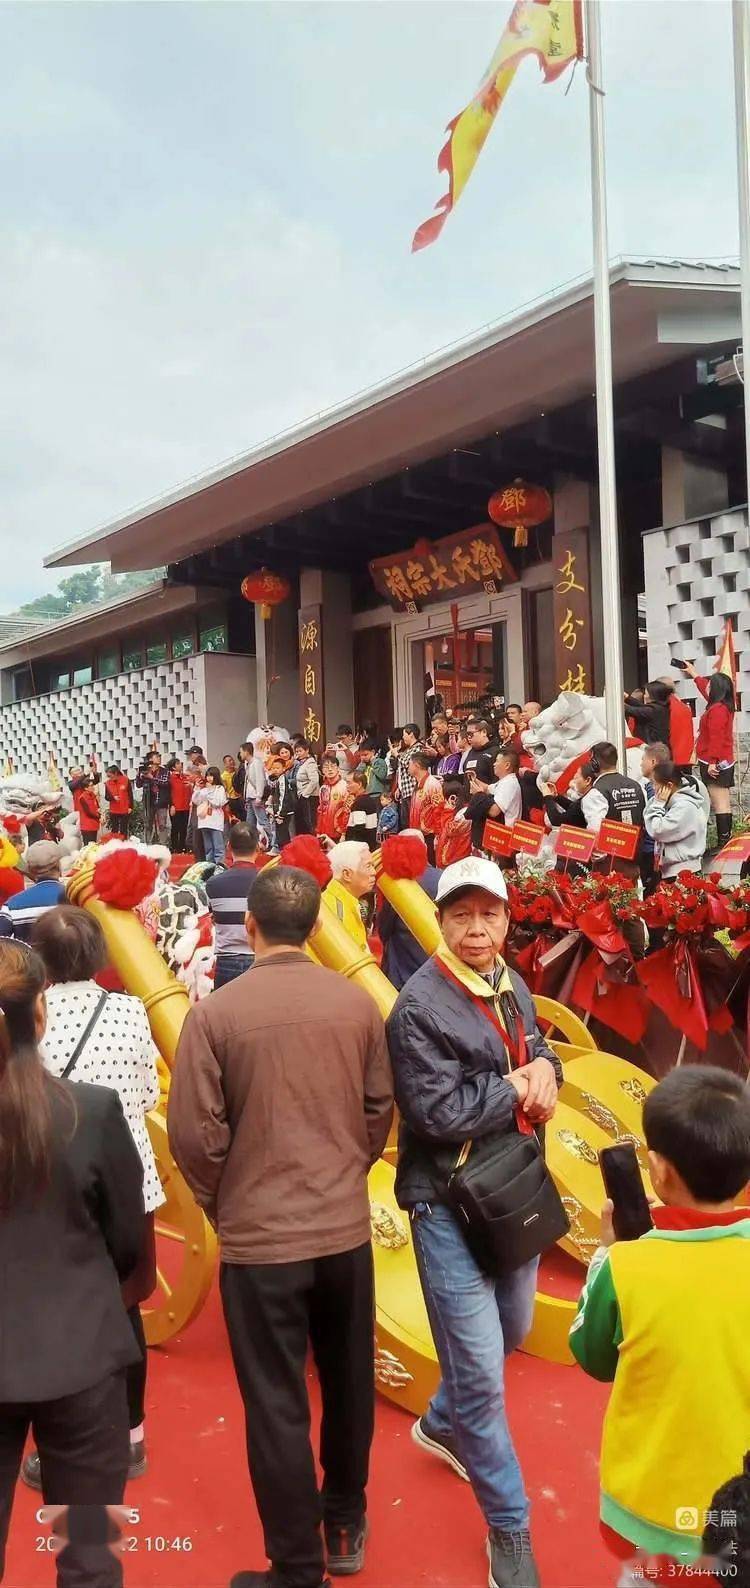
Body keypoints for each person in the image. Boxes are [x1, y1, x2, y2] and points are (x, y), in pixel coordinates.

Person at [168, 866, 394, 1588]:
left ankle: (297, 1565)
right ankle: (345, 1519)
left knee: (275, 1400)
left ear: (251, 929)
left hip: (260, 1238)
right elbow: (378, 1110)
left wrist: (223, 1202)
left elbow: (194, 1136)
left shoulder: (214, 1015)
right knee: (349, 1379)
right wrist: (342, 1176)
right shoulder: (356, 1005)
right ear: (316, 927)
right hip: (341, 1230)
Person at [386, 858, 562, 1588]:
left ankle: (440, 1422)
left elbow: (536, 1050)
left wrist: (547, 1067)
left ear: (506, 918)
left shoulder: (512, 983)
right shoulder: (418, 1007)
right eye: (462, 915)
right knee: (484, 1373)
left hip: (511, 1188)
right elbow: (436, 1115)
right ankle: (510, 1528)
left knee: (513, 1331)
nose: (477, 927)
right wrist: (518, 1085)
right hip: (445, 1201)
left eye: (489, 913)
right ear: (441, 920)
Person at [0, 939, 145, 1587]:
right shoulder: (91, 1112)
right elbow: (130, 1244)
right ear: (42, 1015)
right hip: (86, 1359)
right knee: (89, 1560)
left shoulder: (88, 1110)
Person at [570, 1066, 750, 1565]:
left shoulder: (628, 1266)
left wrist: (606, 1256)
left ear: (658, 1169)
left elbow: (594, 1356)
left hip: (651, 1517)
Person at [20, 905, 162, 1490]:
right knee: (127, 1310)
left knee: (57, 1308)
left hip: (57, 1187)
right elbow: (150, 1093)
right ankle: (130, 1434)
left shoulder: (32, 1021)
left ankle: (64, 1441)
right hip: (132, 1182)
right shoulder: (130, 1012)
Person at [683, 663, 736, 852]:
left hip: (716, 762)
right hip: (719, 760)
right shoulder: (721, 706)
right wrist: (693, 673)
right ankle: (724, 842)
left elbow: (716, 737)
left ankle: (724, 844)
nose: (708, 687)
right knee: (721, 801)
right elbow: (705, 689)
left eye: (711, 685)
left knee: (720, 802)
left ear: (717, 689)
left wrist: (713, 762)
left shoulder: (717, 710)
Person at [379, 832, 440, 991]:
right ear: (425, 849)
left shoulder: (395, 885)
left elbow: (384, 931)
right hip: (438, 970)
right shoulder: (443, 878)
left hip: (403, 974)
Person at [205, 824, 261, 988]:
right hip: (259, 958)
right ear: (258, 847)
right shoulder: (270, 881)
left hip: (226, 961)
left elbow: (212, 919)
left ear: (228, 846)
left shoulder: (213, 884)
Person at [642, 759, 708, 879]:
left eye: (654, 783)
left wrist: (657, 803)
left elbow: (657, 830)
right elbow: (647, 818)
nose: (653, 787)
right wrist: (657, 802)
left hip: (682, 872)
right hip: (671, 871)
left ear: (669, 786)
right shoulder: (672, 803)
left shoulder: (684, 806)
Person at [0, 841, 66, 941]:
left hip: (28, 956)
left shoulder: (11, 905)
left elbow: (3, 944)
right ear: (59, 866)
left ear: (30, 870)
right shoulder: (74, 898)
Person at [581, 742, 646, 836]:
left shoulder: (596, 793)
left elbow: (595, 831)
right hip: (637, 849)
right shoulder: (637, 786)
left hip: (609, 849)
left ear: (594, 764)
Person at [323, 842, 376, 951]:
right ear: (347, 874)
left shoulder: (348, 900)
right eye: (368, 866)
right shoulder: (334, 912)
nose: (374, 872)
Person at [638, 742, 671, 893]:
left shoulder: (657, 790)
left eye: (643, 759)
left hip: (653, 851)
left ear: (653, 762)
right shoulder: (651, 787)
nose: (640, 763)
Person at [191, 765, 228, 865]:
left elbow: (218, 803)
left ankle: (220, 866)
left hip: (215, 822)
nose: (209, 778)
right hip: (204, 821)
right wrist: (197, 788)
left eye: (211, 776)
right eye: (207, 776)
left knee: (218, 847)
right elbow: (195, 800)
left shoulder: (220, 789)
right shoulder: (204, 790)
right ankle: (209, 866)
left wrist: (209, 793)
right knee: (209, 848)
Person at [265, 743, 296, 852]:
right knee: (280, 835)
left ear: (283, 768)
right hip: (279, 812)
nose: (275, 770)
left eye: (278, 768)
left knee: (284, 836)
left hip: (284, 813)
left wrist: (280, 814)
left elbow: (284, 797)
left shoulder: (283, 780)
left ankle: (286, 855)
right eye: (273, 768)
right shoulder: (277, 779)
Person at [136, 752, 171, 848]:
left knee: (162, 825)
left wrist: (152, 778)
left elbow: (166, 783)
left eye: (160, 756)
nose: (159, 758)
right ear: (150, 759)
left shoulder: (165, 771)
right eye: (157, 757)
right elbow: (138, 785)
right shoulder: (145, 770)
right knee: (148, 824)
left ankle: (164, 846)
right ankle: (148, 845)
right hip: (149, 802)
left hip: (161, 801)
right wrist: (139, 774)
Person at [317, 754, 352, 846]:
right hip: (325, 832)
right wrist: (318, 831)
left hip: (339, 832)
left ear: (338, 768)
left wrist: (343, 833)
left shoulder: (345, 786)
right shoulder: (323, 788)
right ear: (322, 771)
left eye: (333, 766)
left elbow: (347, 811)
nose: (330, 769)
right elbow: (321, 810)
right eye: (326, 767)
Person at [623, 682, 672, 749]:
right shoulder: (661, 707)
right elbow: (641, 706)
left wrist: (616, 701)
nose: (644, 696)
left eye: (646, 694)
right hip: (658, 747)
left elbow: (632, 710)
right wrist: (627, 697)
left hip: (653, 749)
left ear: (652, 696)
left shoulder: (652, 711)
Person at [344, 769, 381, 851]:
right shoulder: (369, 800)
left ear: (359, 784)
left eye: (349, 783)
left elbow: (359, 827)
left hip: (360, 849)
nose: (347, 786)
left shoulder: (360, 802)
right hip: (369, 845)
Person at [395, 724, 423, 828]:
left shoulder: (418, 747)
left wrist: (397, 755)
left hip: (413, 790)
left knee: (413, 822)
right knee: (405, 823)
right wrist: (399, 787)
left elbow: (408, 763)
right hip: (405, 792)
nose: (402, 737)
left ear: (411, 734)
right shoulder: (408, 749)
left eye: (404, 734)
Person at [294, 740, 321, 836]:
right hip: (303, 797)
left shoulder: (310, 763)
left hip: (310, 797)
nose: (298, 753)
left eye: (300, 751)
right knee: (303, 823)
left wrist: (305, 795)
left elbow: (314, 780)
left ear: (307, 750)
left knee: (310, 823)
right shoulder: (301, 763)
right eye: (296, 751)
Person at [167, 756, 193, 853]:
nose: (180, 765)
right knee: (175, 827)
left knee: (184, 827)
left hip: (185, 806)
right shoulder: (170, 779)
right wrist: (171, 805)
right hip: (175, 807)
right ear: (173, 767)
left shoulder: (185, 777)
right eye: (177, 764)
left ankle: (182, 846)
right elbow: (168, 793)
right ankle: (174, 846)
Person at [70, 770, 101, 846]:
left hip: (94, 824)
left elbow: (97, 806)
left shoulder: (92, 795)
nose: (93, 787)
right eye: (91, 786)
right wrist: (99, 816)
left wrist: (93, 771)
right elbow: (89, 812)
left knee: (93, 845)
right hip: (87, 825)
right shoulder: (82, 795)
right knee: (88, 846)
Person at [462, 720, 497, 785]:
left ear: (484, 732)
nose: (468, 737)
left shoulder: (495, 752)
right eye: (467, 734)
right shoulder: (470, 752)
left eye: (471, 734)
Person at [104, 766, 133, 838]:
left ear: (116, 773)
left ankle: (124, 845)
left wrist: (130, 807)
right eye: (108, 776)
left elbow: (130, 794)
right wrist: (113, 798)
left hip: (124, 809)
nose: (109, 778)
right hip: (113, 810)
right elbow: (106, 797)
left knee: (124, 829)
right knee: (114, 829)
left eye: (110, 776)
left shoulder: (125, 780)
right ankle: (115, 845)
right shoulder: (107, 783)